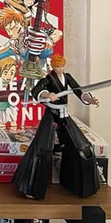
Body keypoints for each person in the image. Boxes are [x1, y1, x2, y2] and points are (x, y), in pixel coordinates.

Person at [13, 54, 100, 199]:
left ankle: (81, 185)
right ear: (53, 66)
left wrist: (89, 99)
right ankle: (32, 188)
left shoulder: (67, 77)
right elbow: (37, 91)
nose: (60, 69)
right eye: (57, 66)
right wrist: (47, 95)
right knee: (42, 149)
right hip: (51, 113)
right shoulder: (47, 79)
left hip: (64, 114)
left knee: (83, 146)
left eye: (62, 66)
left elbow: (78, 90)